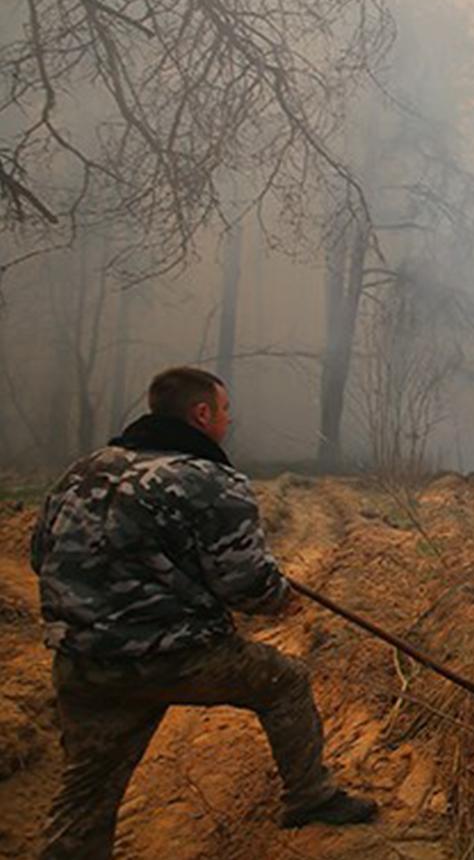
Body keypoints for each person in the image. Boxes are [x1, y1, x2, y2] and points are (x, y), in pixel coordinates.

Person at [29, 366, 375, 859]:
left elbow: (39, 557)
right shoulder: (210, 480)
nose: (229, 421)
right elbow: (247, 584)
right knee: (287, 683)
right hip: (178, 657)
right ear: (202, 413)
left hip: (83, 663)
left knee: (85, 795)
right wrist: (283, 598)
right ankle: (310, 796)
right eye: (225, 410)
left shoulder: (84, 469)